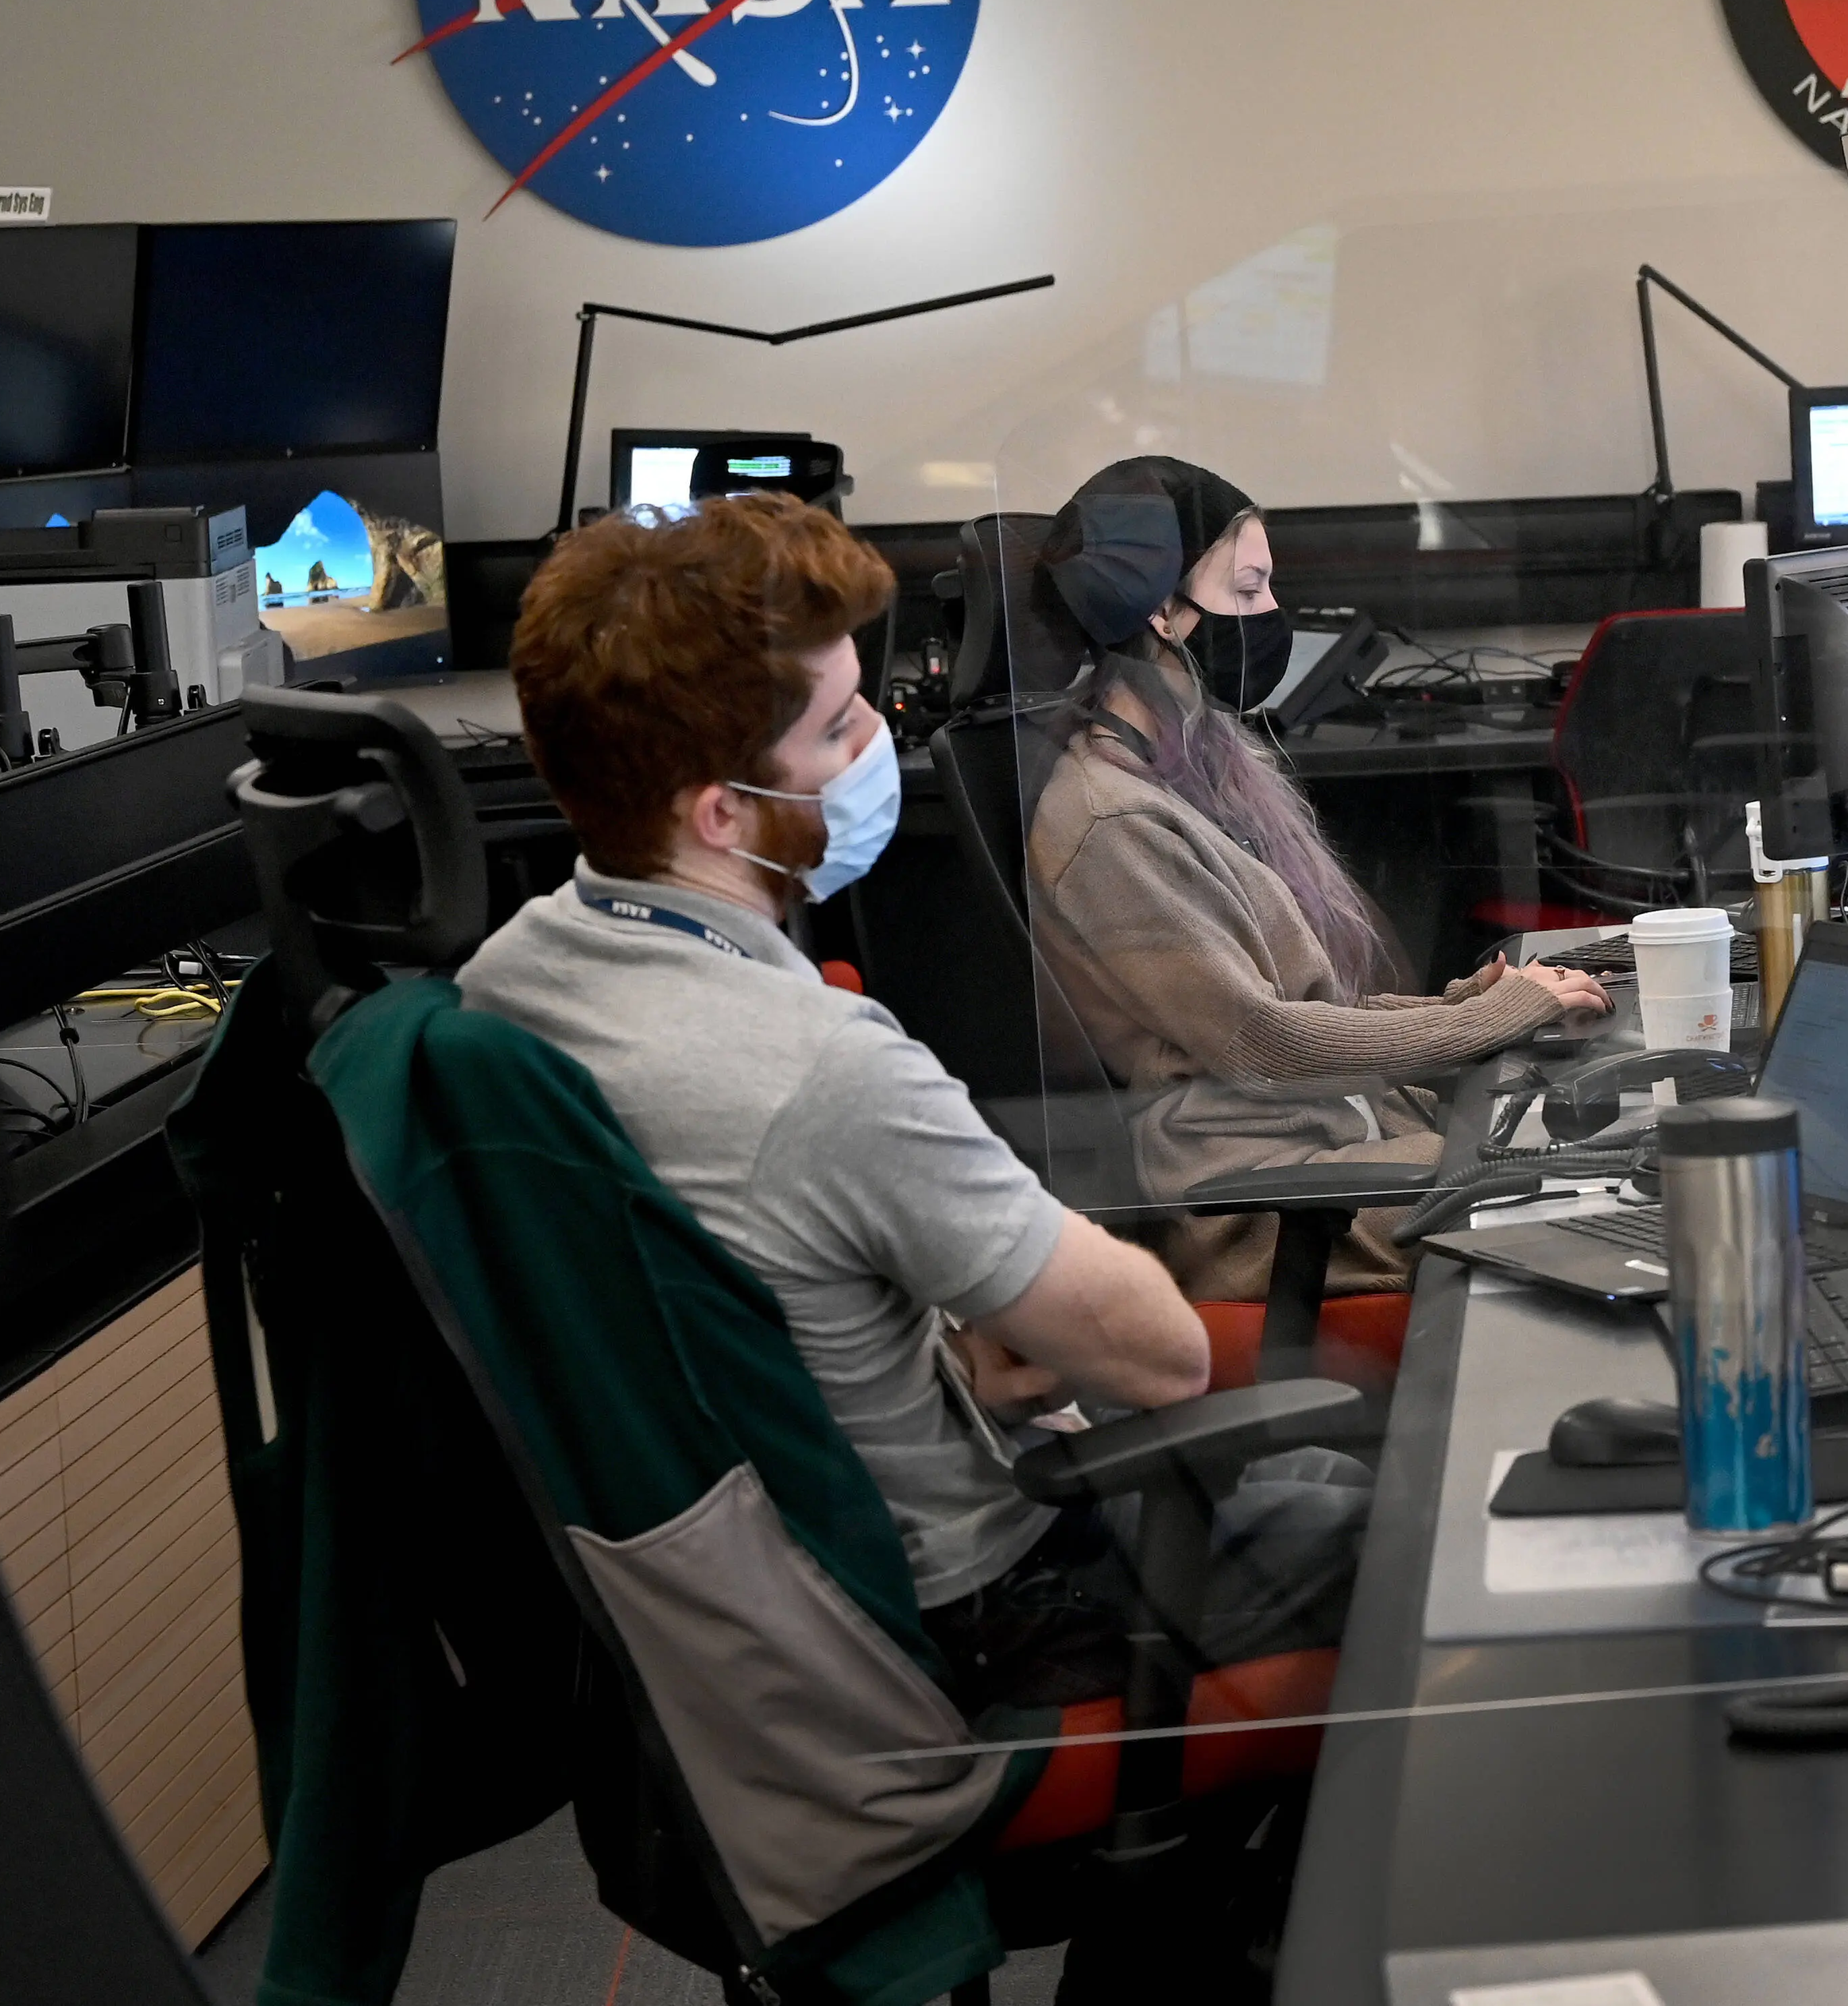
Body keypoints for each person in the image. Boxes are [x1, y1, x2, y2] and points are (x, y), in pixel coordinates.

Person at [458, 493, 1344, 1709]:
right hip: (984, 1608)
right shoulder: (822, 1063)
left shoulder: (503, 989)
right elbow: (1162, 1351)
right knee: (1415, 1522)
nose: (884, 738)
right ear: (722, 814)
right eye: (839, 728)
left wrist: (935, 1335)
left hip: (772, 1609)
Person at [1020, 455, 1611, 1303]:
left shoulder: (1185, 775)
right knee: (1585, 1193)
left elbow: (1297, 1007)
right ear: (1159, 610)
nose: (1272, 616)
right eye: (1249, 589)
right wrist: (1496, 1016)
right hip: (1267, 1196)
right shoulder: (1114, 821)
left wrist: (1464, 1006)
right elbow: (1268, 1044)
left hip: (1333, 1137)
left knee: (1605, 1154)